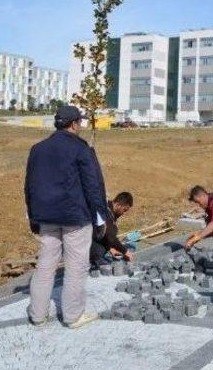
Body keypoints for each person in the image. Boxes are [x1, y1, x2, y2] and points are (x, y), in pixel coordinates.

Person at [24, 106, 108, 329]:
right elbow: (93, 186)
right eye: (79, 123)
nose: (80, 126)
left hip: (46, 217)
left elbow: (29, 186)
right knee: (76, 266)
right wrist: (100, 218)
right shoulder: (81, 149)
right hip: (75, 217)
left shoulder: (37, 149)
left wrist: (33, 216)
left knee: (45, 265)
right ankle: (72, 316)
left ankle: (37, 315)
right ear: (73, 124)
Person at [90, 192, 135, 267]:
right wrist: (126, 252)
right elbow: (110, 237)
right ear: (118, 205)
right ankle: (93, 261)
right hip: (86, 242)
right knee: (103, 247)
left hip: (92, 238)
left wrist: (111, 249)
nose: (124, 213)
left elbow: (104, 234)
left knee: (112, 233)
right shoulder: (105, 211)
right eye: (124, 210)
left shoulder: (111, 212)